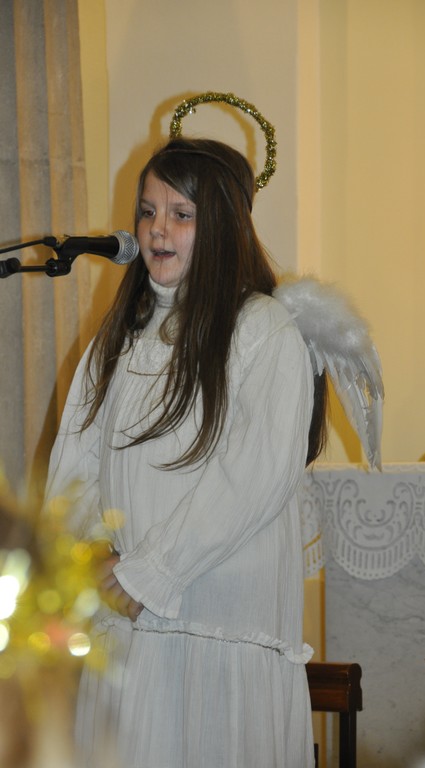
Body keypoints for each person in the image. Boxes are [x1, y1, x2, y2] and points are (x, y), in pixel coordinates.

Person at [45, 130, 325, 767]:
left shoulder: (263, 329)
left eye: (181, 214)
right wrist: (85, 555)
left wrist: (151, 574)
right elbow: (77, 460)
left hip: (213, 624)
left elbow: (252, 477)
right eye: (148, 211)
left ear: (223, 226)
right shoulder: (120, 335)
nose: (157, 229)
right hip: (125, 622)